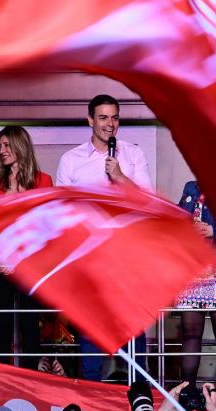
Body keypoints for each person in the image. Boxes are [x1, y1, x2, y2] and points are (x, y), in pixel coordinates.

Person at [56, 94, 152, 380]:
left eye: (114, 117)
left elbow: (147, 202)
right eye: (103, 117)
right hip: (90, 253)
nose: (110, 124)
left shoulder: (133, 154)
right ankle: (91, 395)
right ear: (90, 120)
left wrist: (121, 177)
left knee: (132, 324)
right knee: (91, 326)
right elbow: (63, 209)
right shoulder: (71, 160)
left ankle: (140, 392)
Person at [0, 126, 52, 367]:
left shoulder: (43, 180)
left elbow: (45, 227)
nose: (2, 151)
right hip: (1, 262)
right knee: (1, 326)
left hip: (31, 263)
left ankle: (30, 383)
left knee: (30, 325)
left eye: (6, 145)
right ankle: (2, 383)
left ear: (20, 146)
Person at [175, 180, 216, 388]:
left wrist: (215, 232)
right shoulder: (190, 187)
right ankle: (186, 389)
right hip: (192, 264)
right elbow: (177, 220)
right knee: (190, 331)